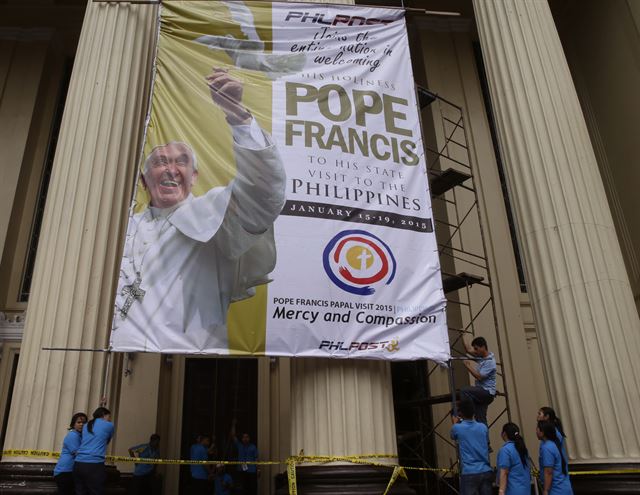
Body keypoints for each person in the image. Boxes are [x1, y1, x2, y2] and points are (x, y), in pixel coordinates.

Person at [111, 66, 286, 353]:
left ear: (194, 177)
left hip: (189, 356)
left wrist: (238, 116)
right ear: (143, 181)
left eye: (181, 162)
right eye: (159, 162)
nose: (170, 169)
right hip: (114, 352)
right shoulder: (121, 226)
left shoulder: (213, 216)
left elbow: (262, 191)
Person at [450, 399, 493, 495]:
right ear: (474, 412)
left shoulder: (457, 428)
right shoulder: (483, 427)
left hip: (469, 471)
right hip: (485, 470)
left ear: (461, 413)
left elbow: (453, 436)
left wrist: (455, 423)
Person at [74, 407, 115, 495]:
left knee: (80, 491)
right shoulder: (109, 425)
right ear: (104, 415)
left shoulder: (86, 425)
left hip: (78, 463)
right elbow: (107, 441)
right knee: (95, 491)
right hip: (94, 464)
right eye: (108, 416)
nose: (109, 419)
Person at [461, 336, 497, 426]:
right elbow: (468, 350)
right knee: (481, 419)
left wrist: (468, 366)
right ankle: (485, 440)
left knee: (464, 391)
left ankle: (467, 413)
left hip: (486, 392)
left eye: (476, 349)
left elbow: (479, 377)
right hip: (483, 392)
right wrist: (463, 335)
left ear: (483, 347)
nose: (475, 351)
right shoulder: (482, 357)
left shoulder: (490, 361)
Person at [53, 412, 87, 494]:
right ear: (73, 424)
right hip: (65, 472)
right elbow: (78, 454)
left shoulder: (80, 435)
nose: (81, 424)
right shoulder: (73, 435)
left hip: (70, 472)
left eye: (84, 423)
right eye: (79, 422)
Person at [537, 421, 573, 495]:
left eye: (537, 429)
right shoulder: (554, 444)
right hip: (564, 487)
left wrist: (546, 490)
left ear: (542, 432)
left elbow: (548, 472)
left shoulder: (546, 447)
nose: (536, 431)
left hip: (556, 489)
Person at [496, 422, 531, 495]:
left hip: (512, 490)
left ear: (504, 434)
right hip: (526, 490)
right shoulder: (522, 448)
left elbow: (504, 472)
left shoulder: (505, 450)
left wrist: (501, 491)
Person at [230, 419, 258, 495]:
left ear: (249, 438)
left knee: (252, 488)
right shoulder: (239, 446)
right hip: (241, 470)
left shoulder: (253, 447)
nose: (245, 439)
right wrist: (233, 425)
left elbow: (256, 458)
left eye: (247, 437)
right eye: (244, 437)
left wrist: (258, 469)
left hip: (251, 470)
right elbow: (233, 436)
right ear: (242, 439)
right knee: (242, 489)